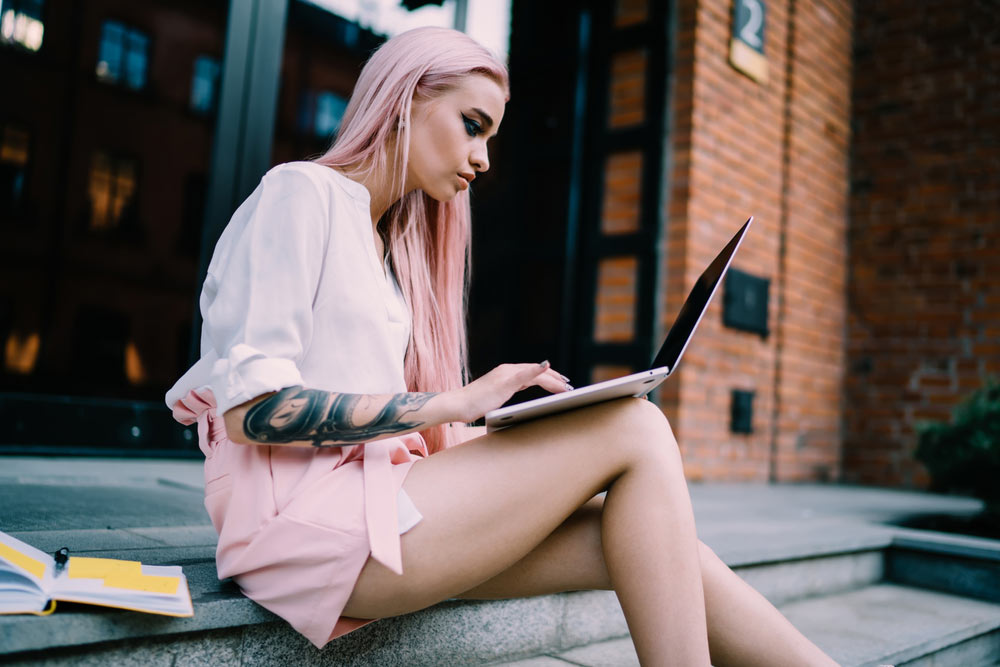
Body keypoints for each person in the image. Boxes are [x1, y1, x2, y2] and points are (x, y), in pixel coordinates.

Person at [166, 26, 837, 666]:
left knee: (651, 537)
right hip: (309, 532)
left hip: (376, 508)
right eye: (472, 125)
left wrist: (506, 439)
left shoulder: (383, 246)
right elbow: (252, 411)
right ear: (407, 100)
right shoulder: (300, 192)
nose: (483, 159)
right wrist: (450, 402)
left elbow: (251, 363)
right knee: (635, 425)